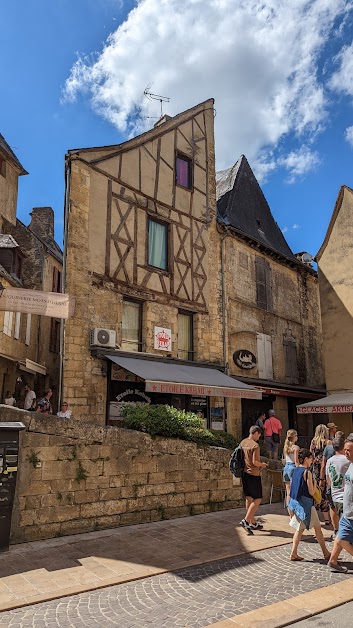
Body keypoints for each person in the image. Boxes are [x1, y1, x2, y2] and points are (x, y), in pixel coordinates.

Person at [288, 448, 330, 562]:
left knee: (305, 529)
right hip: (306, 506)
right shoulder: (307, 473)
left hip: (297, 504)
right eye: (310, 458)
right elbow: (311, 492)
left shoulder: (295, 470)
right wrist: (315, 482)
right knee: (313, 529)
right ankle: (325, 553)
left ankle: (295, 553)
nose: (312, 460)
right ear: (306, 459)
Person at [327, 436, 353, 573]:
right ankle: (332, 560)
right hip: (346, 511)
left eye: (349, 450)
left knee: (342, 538)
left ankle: (332, 560)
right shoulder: (350, 464)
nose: (346, 452)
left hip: (350, 512)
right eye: (345, 449)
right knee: (340, 537)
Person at [240, 426, 268, 534]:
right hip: (254, 474)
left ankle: (252, 522)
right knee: (258, 498)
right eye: (259, 435)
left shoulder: (243, 443)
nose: (259, 437)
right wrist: (262, 465)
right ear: (256, 433)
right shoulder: (255, 446)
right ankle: (246, 520)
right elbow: (255, 462)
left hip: (244, 473)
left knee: (248, 497)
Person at [325, 434, 349, 542]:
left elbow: (328, 478)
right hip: (345, 495)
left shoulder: (330, 461)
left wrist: (332, 487)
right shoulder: (347, 460)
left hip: (334, 492)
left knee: (333, 509)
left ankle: (336, 531)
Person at [310, 424, 330, 524]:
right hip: (324, 467)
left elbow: (311, 455)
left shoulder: (313, 442)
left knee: (316, 491)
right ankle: (327, 517)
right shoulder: (328, 442)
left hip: (315, 469)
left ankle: (315, 515)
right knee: (325, 492)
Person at [282, 429, 299, 512]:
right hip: (292, 467)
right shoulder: (295, 447)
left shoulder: (286, 447)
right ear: (294, 437)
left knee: (288, 491)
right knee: (294, 492)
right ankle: (294, 510)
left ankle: (290, 512)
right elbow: (296, 461)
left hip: (286, 468)